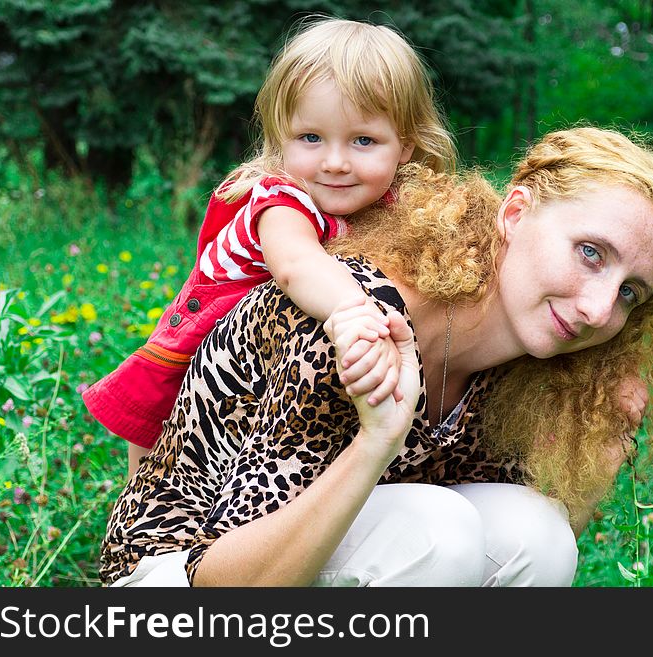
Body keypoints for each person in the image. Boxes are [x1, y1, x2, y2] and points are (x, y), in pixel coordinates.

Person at [99, 127, 653, 587]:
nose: (600, 310)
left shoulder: (527, 371)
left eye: (630, 292)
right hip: (180, 574)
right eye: (591, 253)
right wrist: (375, 442)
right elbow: (226, 582)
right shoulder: (347, 322)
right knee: (436, 530)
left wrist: (603, 448)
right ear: (515, 215)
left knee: (537, 532)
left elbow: (527, 567)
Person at [82, 18, 457, 478]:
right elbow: (297, 266)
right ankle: (140, 536)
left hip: (277, 373)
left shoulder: (394, 202)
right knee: (164, 474)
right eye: (311, 138)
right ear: (281, 136)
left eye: (363, 141)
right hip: (203, 359)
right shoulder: (283, 198)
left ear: (405, 146)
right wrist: (355, 314)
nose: (335, 162)